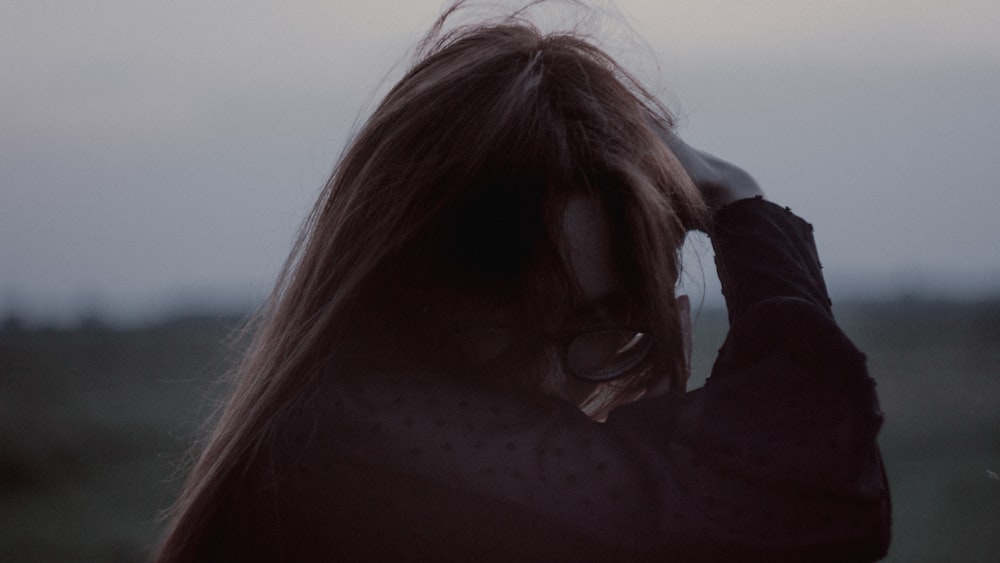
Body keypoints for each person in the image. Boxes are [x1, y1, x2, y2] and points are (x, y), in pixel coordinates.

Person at [156, 5, 891, 561]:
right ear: (408, 285)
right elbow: (820, 497)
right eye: (509, 316)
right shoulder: (350, 441)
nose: (548, 378)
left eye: (603, 325)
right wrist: (738, 199)